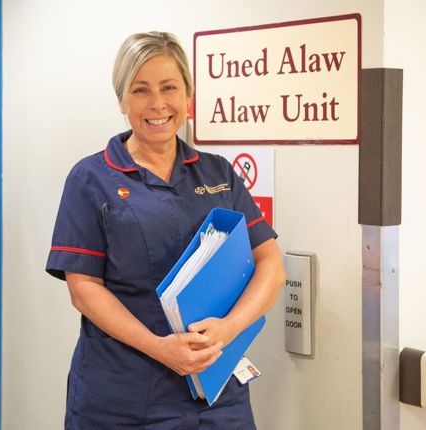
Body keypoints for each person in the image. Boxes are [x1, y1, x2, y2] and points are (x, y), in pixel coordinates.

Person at [46, 31, 286, 430]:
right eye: (140, 90)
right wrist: (159, 348)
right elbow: (83, 287)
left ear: (188, 96)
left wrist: (228, 329)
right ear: (122, 99)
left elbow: (271, 265)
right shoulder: (91, 178)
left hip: (217, 390)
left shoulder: (219, 174)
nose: (157, 104)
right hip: (123, 396)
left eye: (169, 87)